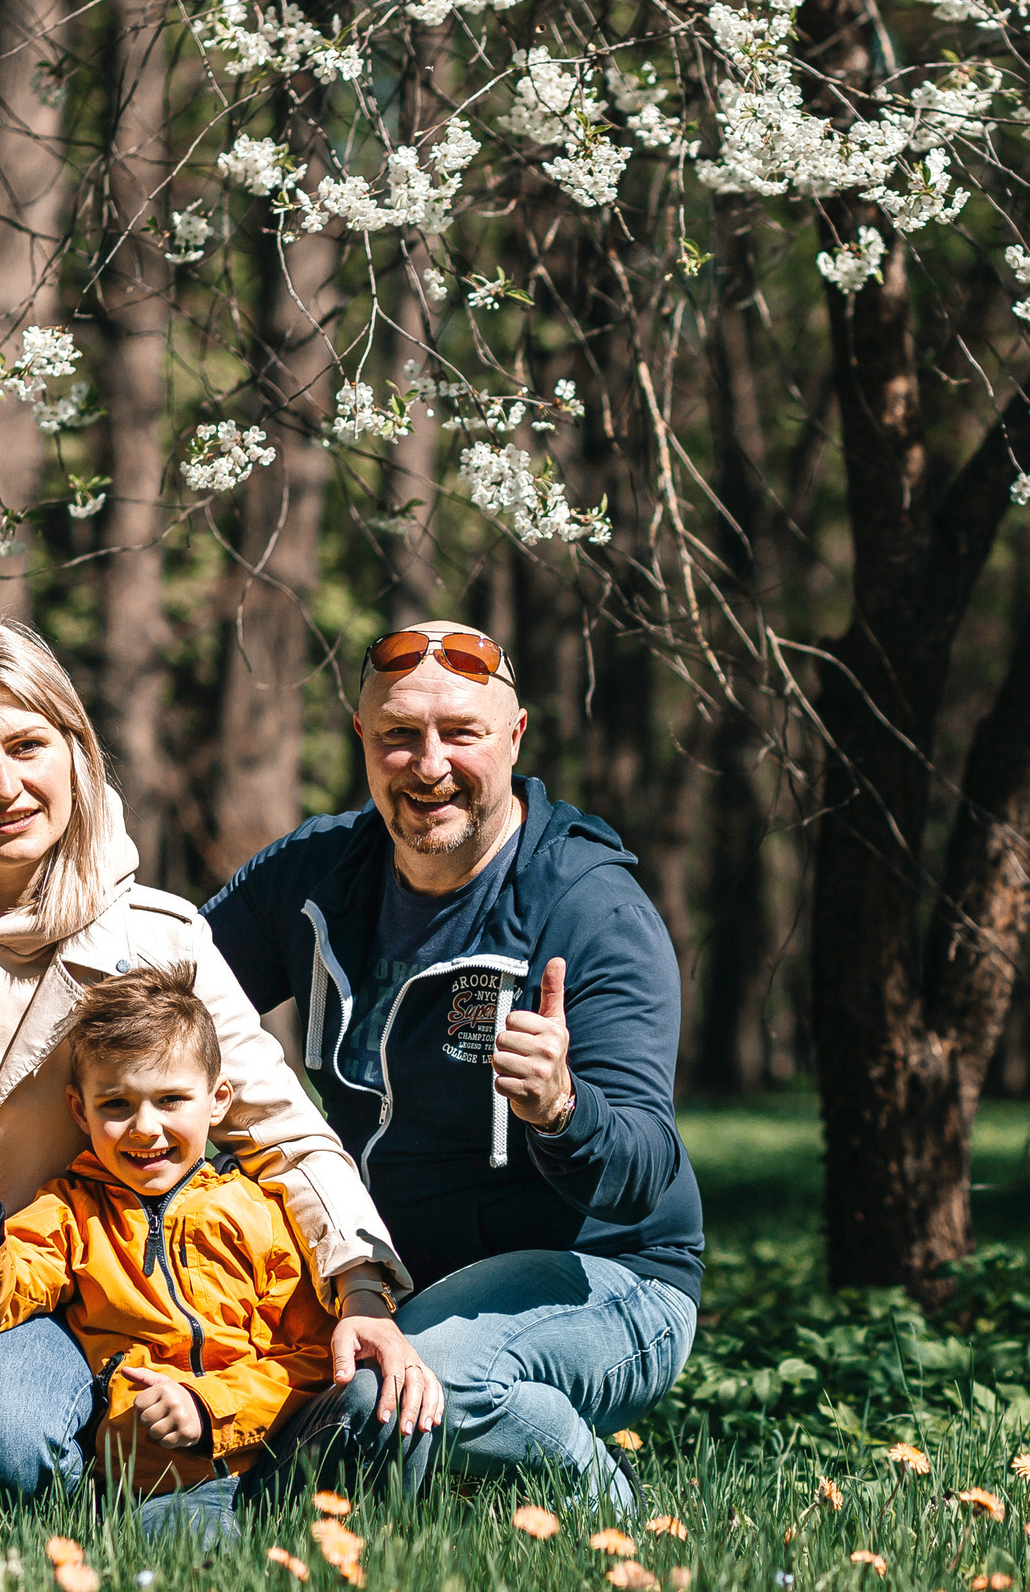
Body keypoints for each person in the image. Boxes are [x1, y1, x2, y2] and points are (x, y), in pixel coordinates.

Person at [0, 619, 436, 1496]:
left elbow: (282, 1129)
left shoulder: (156, 937)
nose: (5, 787)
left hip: (38, 1290)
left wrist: (362, 1286)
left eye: (29, 746)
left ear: (76, 750)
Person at [203, 621, 703, 1507]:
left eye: (461, 733)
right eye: (398, 735)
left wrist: (562, 1109)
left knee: (402, 1389)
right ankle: (448, 1476)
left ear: (514, 737)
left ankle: (606, 1515)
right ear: (362, 740)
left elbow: (642, 1173)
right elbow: (162, 996)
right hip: (389, 1273)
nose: (428, 765)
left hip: (607, 1277)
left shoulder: (589, 909)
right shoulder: (316, 877)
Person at [0, 963, 341, 1540]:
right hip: (159, 1478)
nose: (146, 1129)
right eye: (116, 1105)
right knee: (182, 1554)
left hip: (272, 1443)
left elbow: (316, 1354)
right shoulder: (71, 1210)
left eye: (171, 1100)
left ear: (218, 1100)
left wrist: (209, 1405)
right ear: (80, 1111)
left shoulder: (260, 1211)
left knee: (373, 1405)